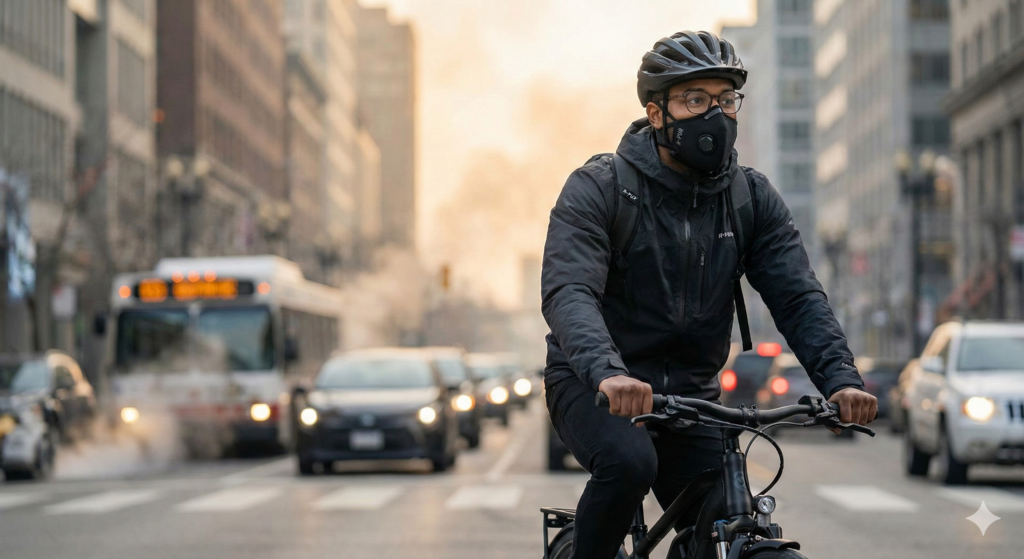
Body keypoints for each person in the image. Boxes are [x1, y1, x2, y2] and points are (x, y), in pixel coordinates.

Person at [541, 31, 877, 559]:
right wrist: (608, 372)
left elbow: (798, 297)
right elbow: (570, 290)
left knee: (727, 516)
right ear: (656, 115)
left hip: (694, 397)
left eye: (725, 100)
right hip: (596, 385)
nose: (714, 115)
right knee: (630, 464)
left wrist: (840, 380)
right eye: (695, 100)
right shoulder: (599, 187)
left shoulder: (751, 198)